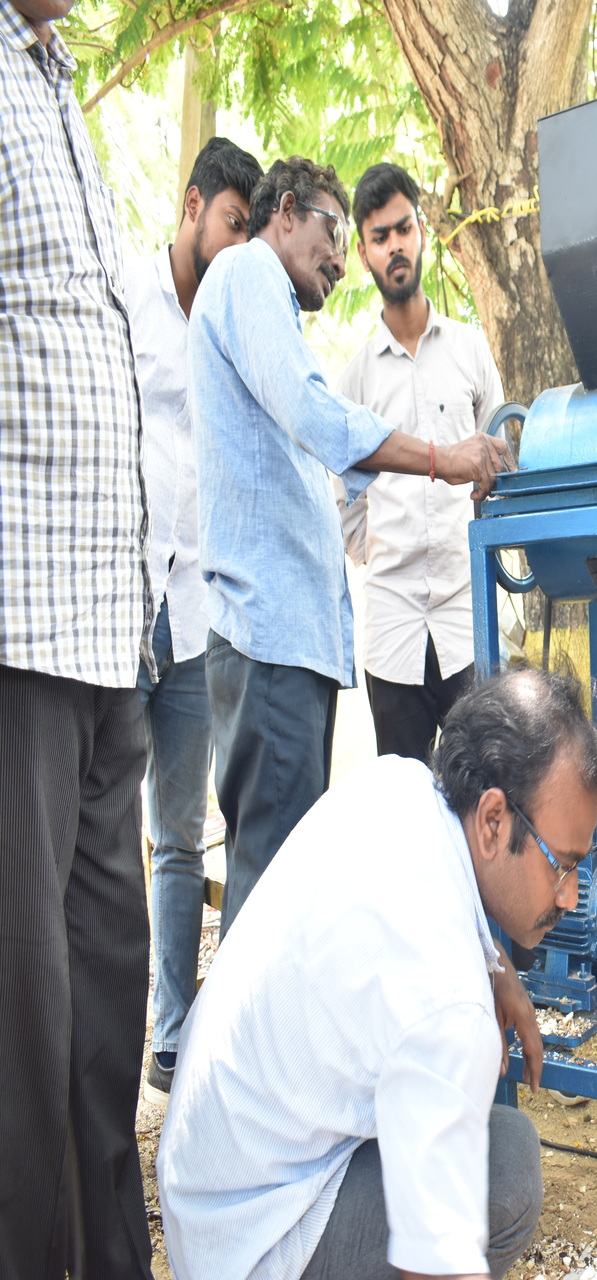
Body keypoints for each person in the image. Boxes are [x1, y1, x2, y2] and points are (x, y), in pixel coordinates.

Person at [157, 667, 597, 1279]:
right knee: (506, 1167)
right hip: (257, 1247)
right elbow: (438, 1269)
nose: (570, 896)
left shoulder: (399, 784)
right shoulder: (451, 1005)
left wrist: (498, 965)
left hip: (209, 1192)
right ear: (494, 821)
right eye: (564, 865)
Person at [189, 155, 513, 937]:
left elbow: (326, 465)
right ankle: (243, 1063)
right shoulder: (245, 274)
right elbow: (322, 422)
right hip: (272, 636)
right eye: (339, 236)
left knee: (284, 874)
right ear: (288, 211)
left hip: (303, 641)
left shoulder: (286, 321)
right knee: (272, 887)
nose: (339, 260)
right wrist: (440, 458)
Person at [0, 0, 155, 1270]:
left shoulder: (51, 79)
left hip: (110, 630)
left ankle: (111, 1257)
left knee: (109, 988)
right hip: (18, 624)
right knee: (23, 1006)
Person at [125, 135, 264, 1107]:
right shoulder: (126, 297)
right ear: (191, 206)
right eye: (230, 222)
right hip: (106, 608)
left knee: (178, 835)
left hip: (189, 618)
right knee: (78, 835)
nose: (237, 243)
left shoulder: (229, 321)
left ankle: (170, 1037)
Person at [336, 163, 505, 764]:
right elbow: (347, 509)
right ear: (363, 253)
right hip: (393, 632)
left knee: (484, 796)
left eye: (403, 229)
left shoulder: (469, 349)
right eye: (380, 237)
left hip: (467, 619)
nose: (395, 246)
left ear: (422, 232)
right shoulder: (355, 378)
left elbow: (498, 466)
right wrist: (386, 556)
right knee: (404, 809)